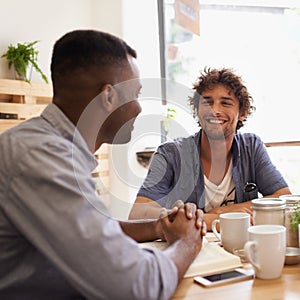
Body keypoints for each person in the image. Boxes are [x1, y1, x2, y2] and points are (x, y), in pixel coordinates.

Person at [0, 30, 206, 300]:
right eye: (136, 94)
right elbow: (137, 287)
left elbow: (88, 230)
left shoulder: (51, 149)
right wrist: (187, 241)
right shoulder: (39, 157)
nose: (139, 109)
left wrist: (156, 226)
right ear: (108, 97)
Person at [130, 67, 291, 230]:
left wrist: (224, 211)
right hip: (190, 250)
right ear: (197, 110)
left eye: (226, 103)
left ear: (241, 112)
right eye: (207, 102)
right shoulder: (171, 153)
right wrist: (210, 220)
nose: (215, 111)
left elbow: (283, 198)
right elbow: (138, 212)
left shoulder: (252, 147)